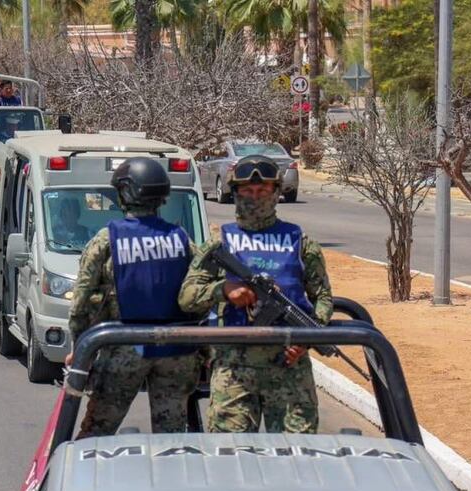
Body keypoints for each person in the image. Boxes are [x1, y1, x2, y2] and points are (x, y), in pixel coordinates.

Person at [178, 155, 332, 434]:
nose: (255, 197)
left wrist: (308, 338)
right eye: (247, 191)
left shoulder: (301, 242)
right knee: (230, 452)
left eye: (262, 191)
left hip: (288, 367)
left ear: (276, 193)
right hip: (234, 367)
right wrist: (223, 290)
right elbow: (187, 297)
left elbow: (322, 298)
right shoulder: (219, 243)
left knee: (297, 452)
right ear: (235, 193)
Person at [68, 157, 202, 438]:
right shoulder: (181, 238)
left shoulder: (107, 240)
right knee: (171, 437)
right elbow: (198, 294)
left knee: (97, 435)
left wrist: (80, 349)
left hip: (123, 348)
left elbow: (81, 302)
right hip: (176, 350)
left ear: (125, 193)